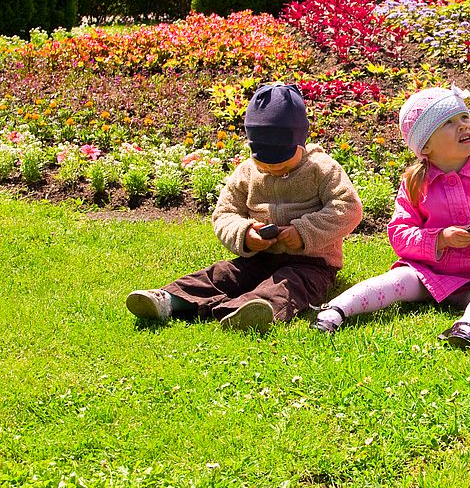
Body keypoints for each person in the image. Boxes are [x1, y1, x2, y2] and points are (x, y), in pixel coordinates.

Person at [311, 85, 470, 348]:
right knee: (396, 280)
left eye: (464, 117)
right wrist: (440, 239)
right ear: (426, 145)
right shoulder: (416, 183)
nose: (463, 126)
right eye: (449, 122)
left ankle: (468, 326)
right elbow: (399, 233)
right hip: (431, 275)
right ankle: (335, 311)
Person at [126, 83, 363, 333]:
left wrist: (303, 232)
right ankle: (169, 299)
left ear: (300, 142)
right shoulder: (246, 172)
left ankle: (251, 310)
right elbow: (225, 213)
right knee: (223, 273)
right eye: (264, 163)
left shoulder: (321, 169)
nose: (273, 169)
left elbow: (348, 208)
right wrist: (245, 234)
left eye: (282, 163)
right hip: (260, 258)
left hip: (312, 263)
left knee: (289, 284)